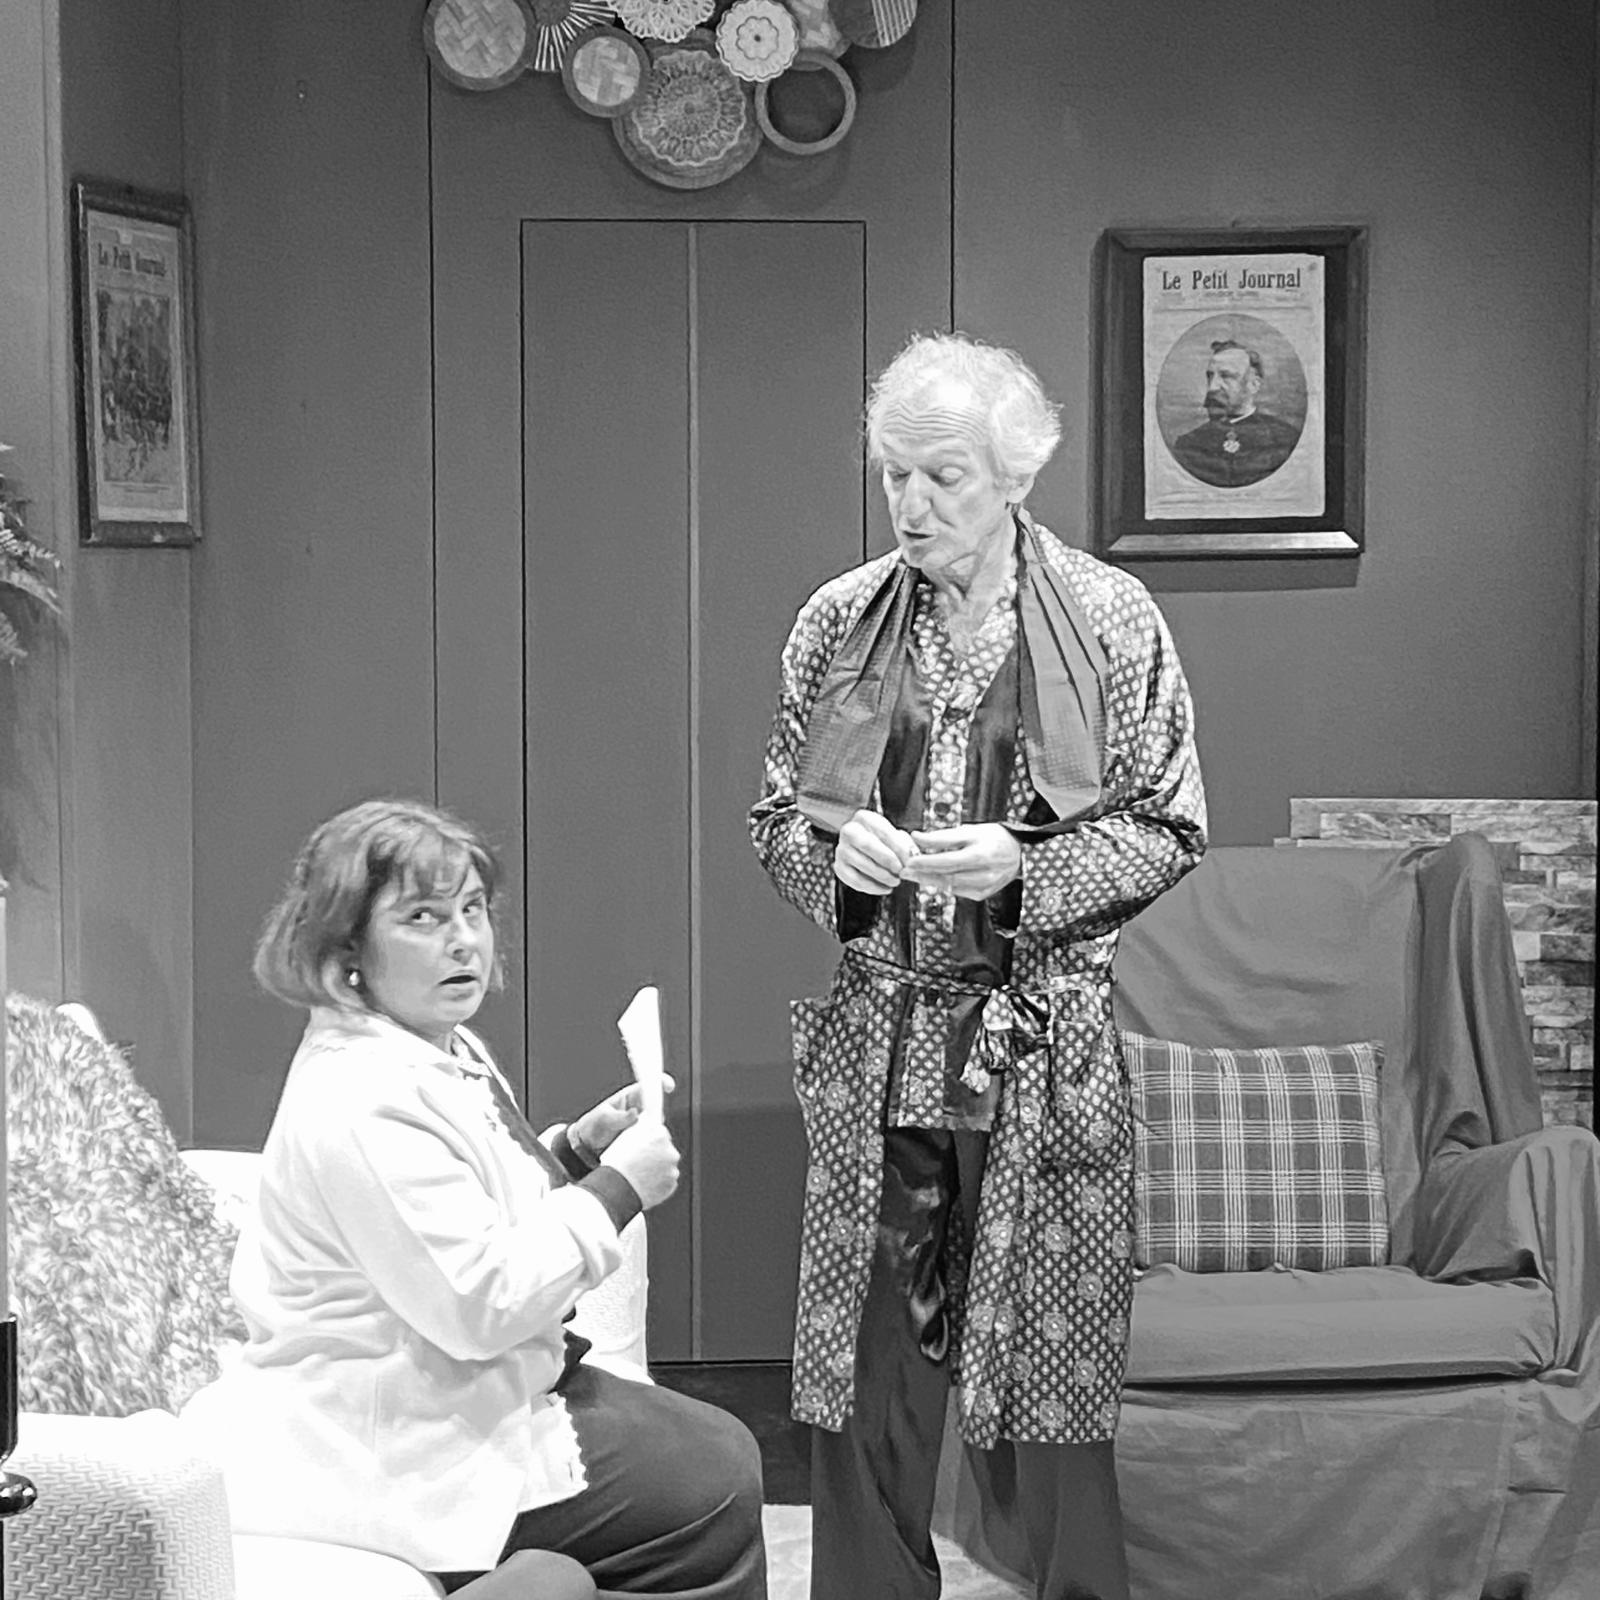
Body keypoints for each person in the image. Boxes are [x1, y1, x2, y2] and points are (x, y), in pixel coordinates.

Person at [750, 333, 1207, 1600]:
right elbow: (779, 818)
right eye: (894, 474)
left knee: (1052, 1380)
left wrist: (1023, 866)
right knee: (863, 1375)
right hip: (882, 1039)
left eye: (942, 476)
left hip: (1043, 1047)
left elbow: (1171, 825)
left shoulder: (1109, 617)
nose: (910, 503)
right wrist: (839, 863)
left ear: (1014, 474)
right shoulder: (838, 621)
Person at [182, 798, 767, 1600]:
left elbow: (470, 1201)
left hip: (460, 1383)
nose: (463, 939)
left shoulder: (432, 1042)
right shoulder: (360, 1095)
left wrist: (577, 1150)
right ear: (346, 945)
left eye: (472, 909)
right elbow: (480, 1303)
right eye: (422, 918)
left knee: (716, 1455)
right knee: (711, 1483)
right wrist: (618, 1189)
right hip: (388, 1434)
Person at [1169, 337, 1301, 488]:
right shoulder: (1188, 445)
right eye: (1210, 376)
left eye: (1226, 376)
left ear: (1253, 385)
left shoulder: (1285, 439)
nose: (1212, 387)